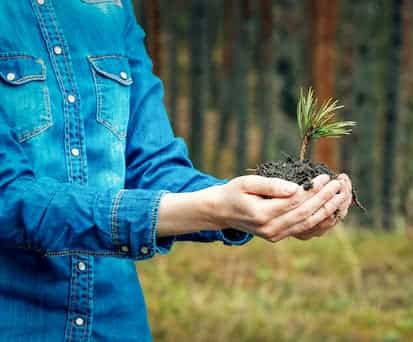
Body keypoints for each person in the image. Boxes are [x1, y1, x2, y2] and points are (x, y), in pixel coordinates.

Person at [0, 1, 353, 341]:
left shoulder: (111, 9)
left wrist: (253, 204)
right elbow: (9, 198)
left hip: (115, 326)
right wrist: (214, 209)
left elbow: (152, 165)